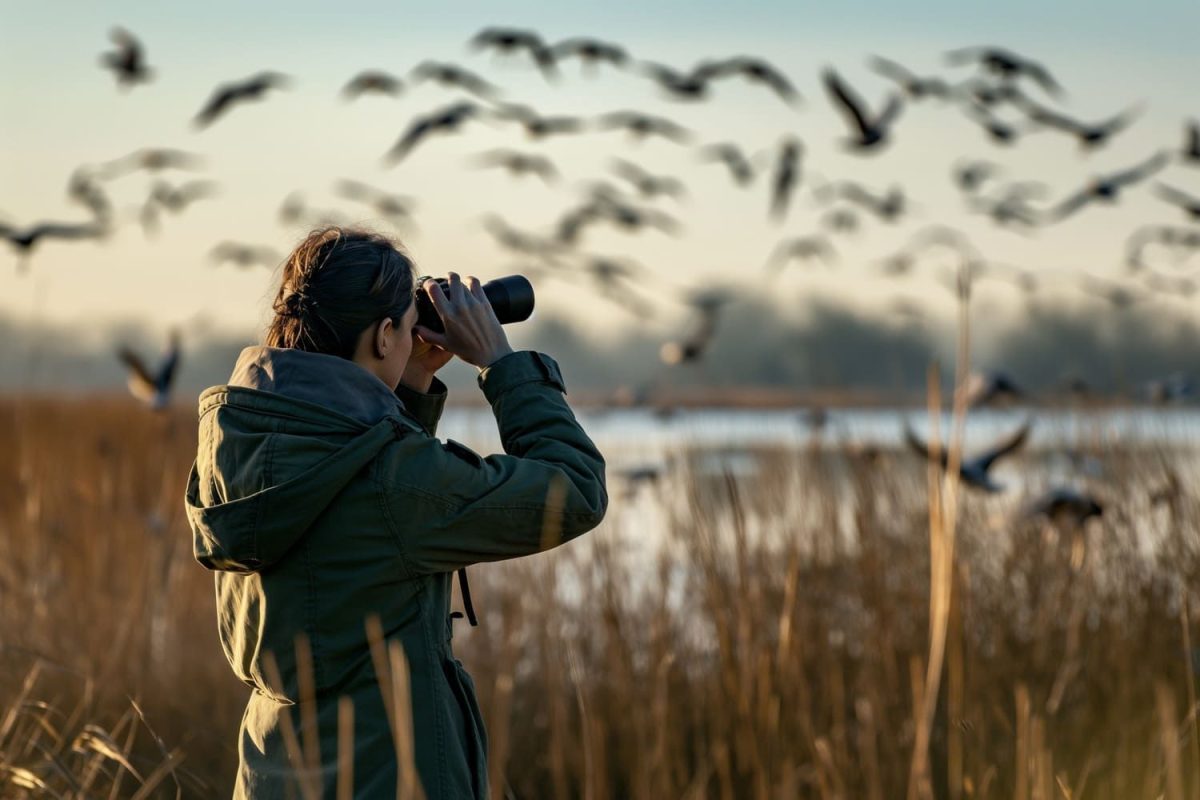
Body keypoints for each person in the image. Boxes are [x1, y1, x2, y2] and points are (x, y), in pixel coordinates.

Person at [184, 226, 608, 798]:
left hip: (272, 776)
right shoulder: (393, 485)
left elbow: (362, 503)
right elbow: (575, 490)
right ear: (384, 336)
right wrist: (501, 363)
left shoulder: (247, 455)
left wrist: (407, 387)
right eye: (406, 326)